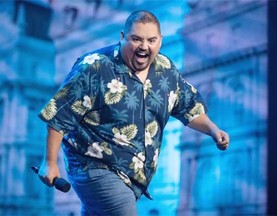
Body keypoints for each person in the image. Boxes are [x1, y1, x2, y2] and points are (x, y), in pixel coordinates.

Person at [38, 10, 230, 216]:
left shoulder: (165, 69)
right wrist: (49, 163)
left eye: (151, 40)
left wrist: (212, 129)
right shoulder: (94, 67)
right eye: (136, 39)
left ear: (160, 40)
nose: (144, 47)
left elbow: (188, 107)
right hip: (93, 166)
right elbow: (59, 115)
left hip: (132, 178)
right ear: (122, 37)